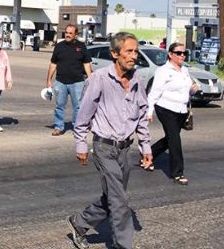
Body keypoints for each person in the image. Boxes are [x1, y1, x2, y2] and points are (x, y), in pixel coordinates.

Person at [67, 32, 152, 249]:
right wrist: (81, 144)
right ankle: (123, 246)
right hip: (104, 147)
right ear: (115, 54)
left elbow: (141, 117)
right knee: (120, 202)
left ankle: (80, 222)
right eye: (129, 51)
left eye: (136, 51)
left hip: (124, 149)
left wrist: (146, 147)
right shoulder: (100, 79)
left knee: (114, 197)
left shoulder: (137, 81)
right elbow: (84, 113)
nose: (134, 56)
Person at [145, 42, 199, 185]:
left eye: (184, 53)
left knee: (170, 138)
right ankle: (177, 173)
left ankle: (148, 154)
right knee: (174, 140)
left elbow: (187, 91)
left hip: (181, 109)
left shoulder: (184, 71)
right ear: (170, 54)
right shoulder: (163, 71)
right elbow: (154, 93)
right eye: (179, 53)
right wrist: (149, 111)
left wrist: (194, 89)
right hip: (165, 108)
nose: (182, 56)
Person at [46, 24, 92, 136]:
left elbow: (86, 64)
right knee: (59, 106)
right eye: (66, 32)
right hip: (60, 81)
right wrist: (48, 80)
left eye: (70, 33)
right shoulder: (59, 46)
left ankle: (77, 127)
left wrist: (91, 80)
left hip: (77, 82)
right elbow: (53, 64)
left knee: (78, 106)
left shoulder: (81, 47)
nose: (67, 35)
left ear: (75, 34)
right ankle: (58, 127)